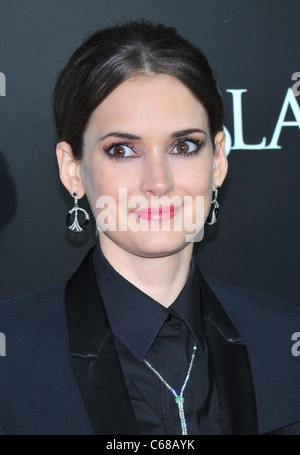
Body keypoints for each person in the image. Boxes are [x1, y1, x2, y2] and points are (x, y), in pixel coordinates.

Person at [0, 19, 300, 436]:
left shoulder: (285, 341)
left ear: (217, 161)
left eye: (183, 146)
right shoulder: (11, 359)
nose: (158, 182)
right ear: (72, 169)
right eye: (122, 150)